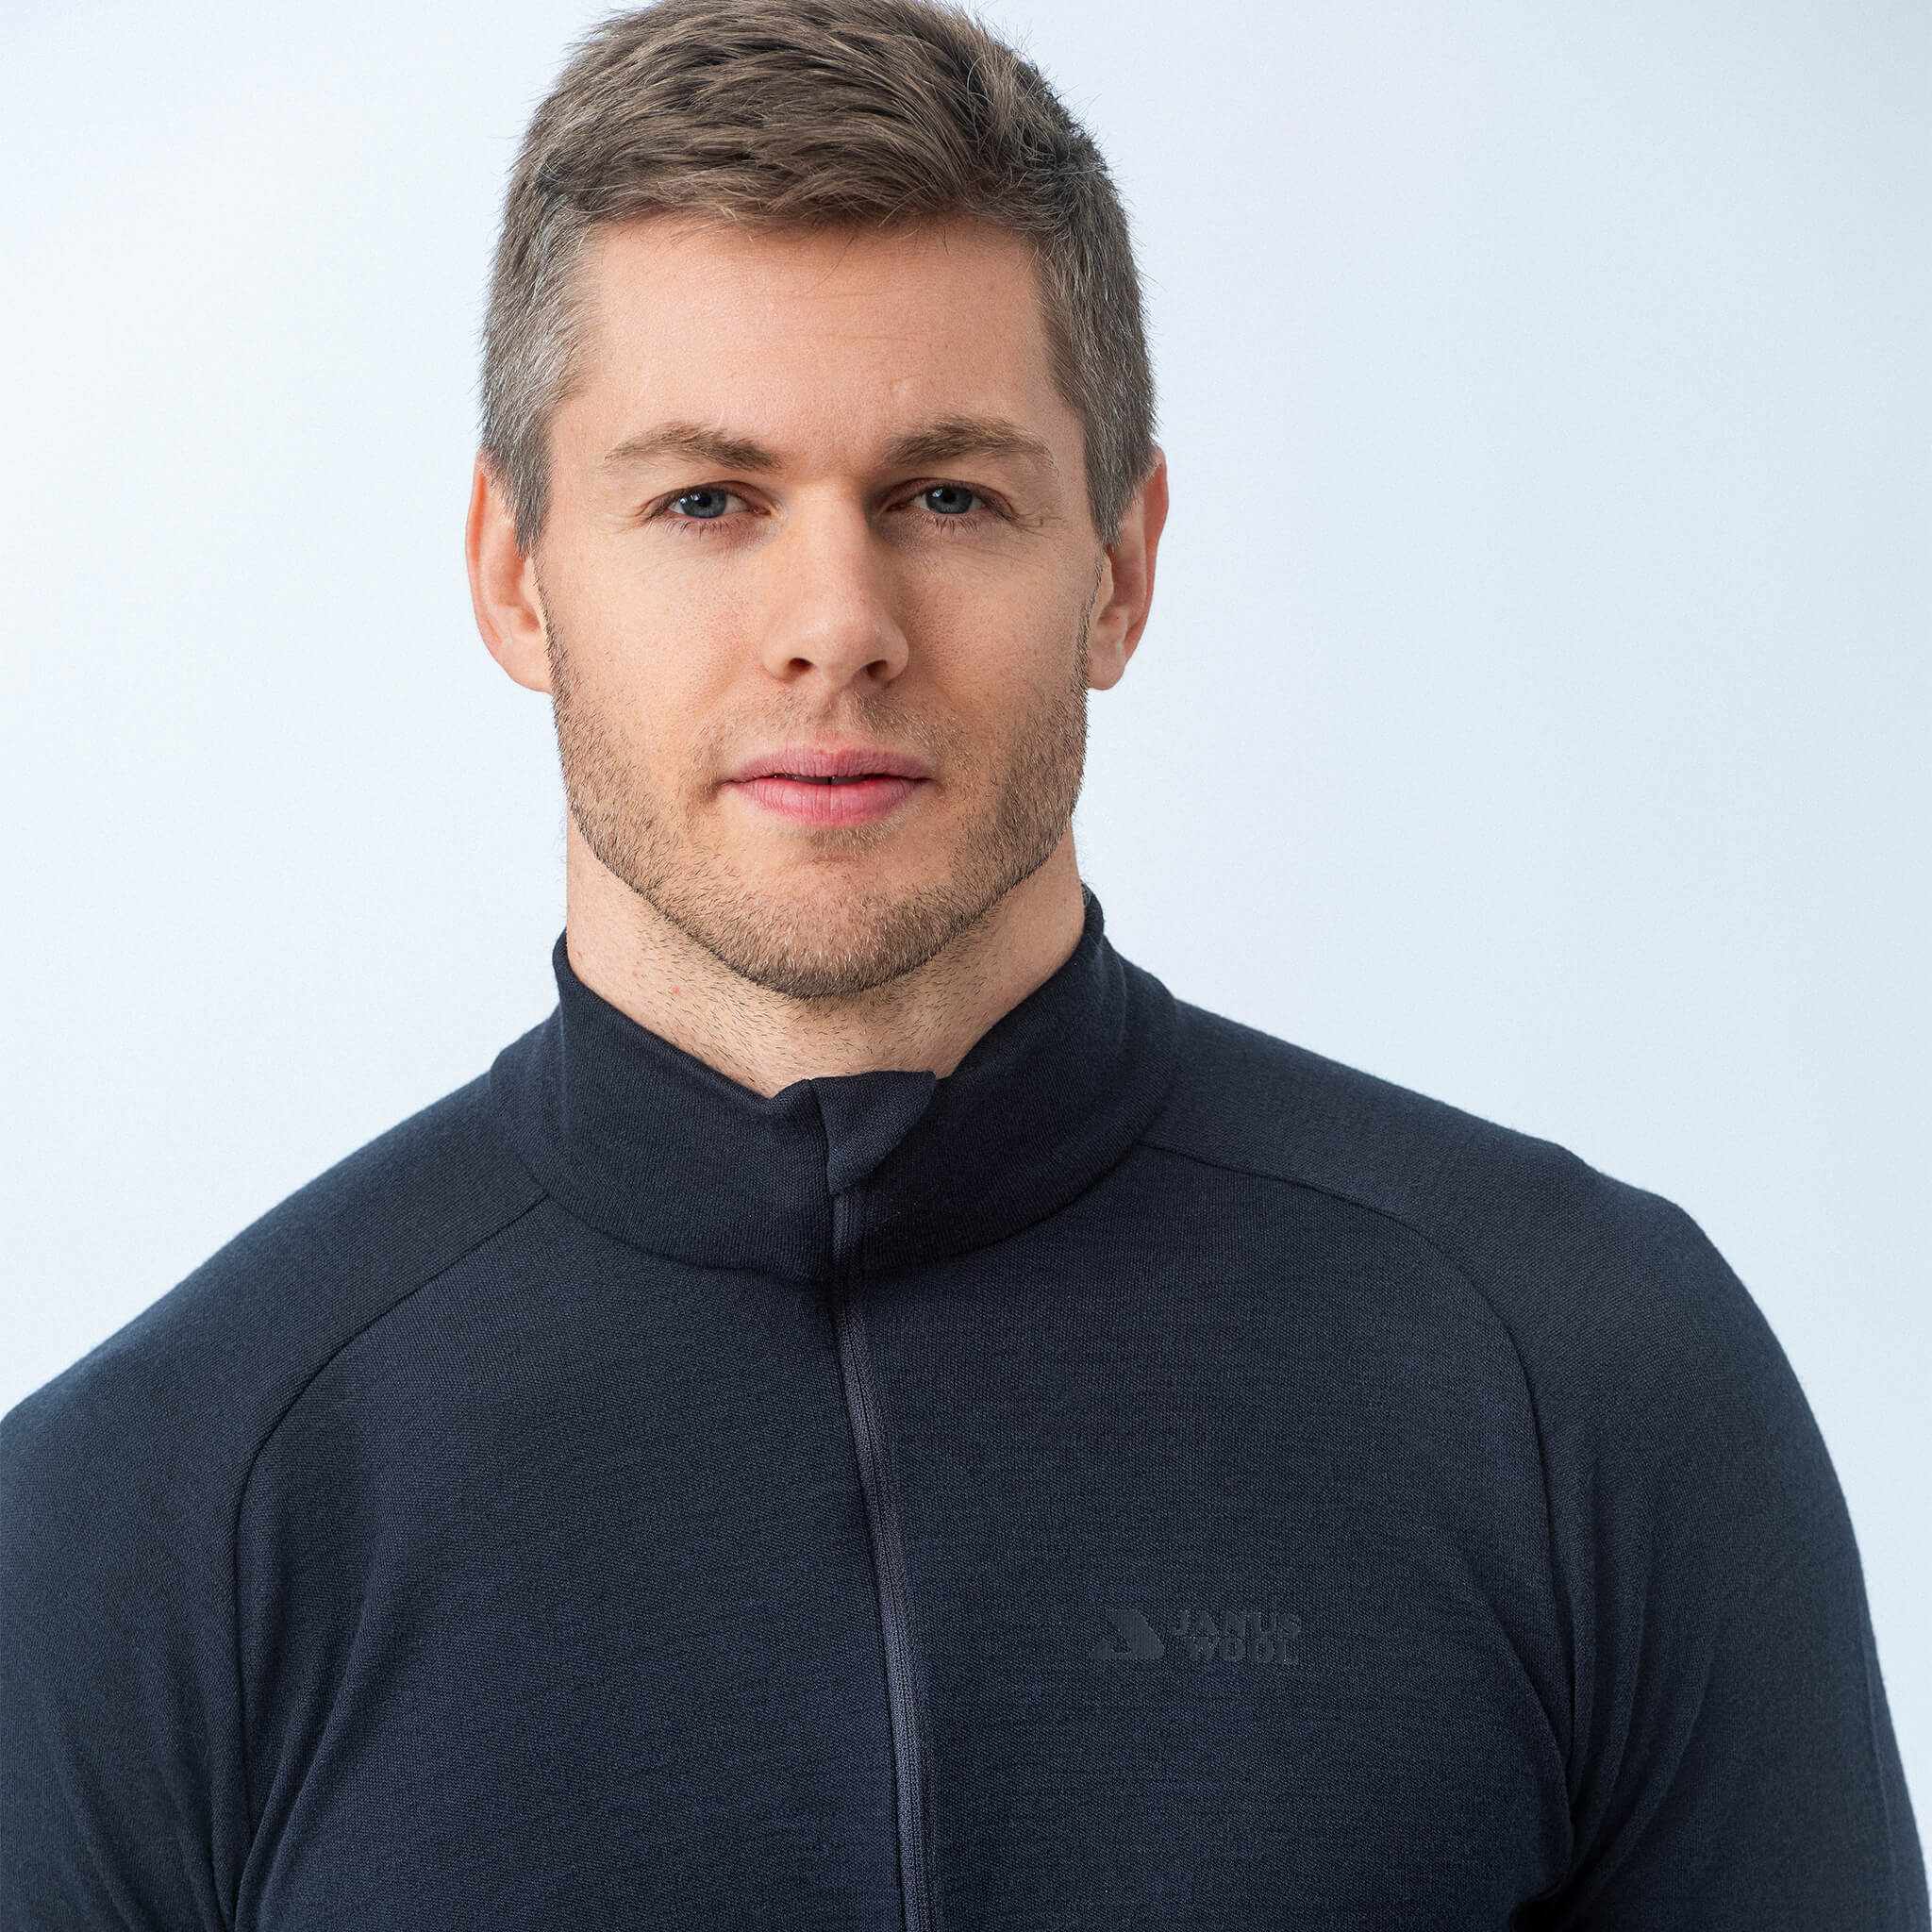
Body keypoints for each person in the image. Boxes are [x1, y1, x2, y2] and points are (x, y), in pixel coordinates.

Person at [2, 0, 1924, 1923]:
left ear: (1120, 564)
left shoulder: (1583, 1382)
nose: (835, 624)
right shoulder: (143, 1520)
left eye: (945, 495)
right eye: (706, 499)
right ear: (515, 570)